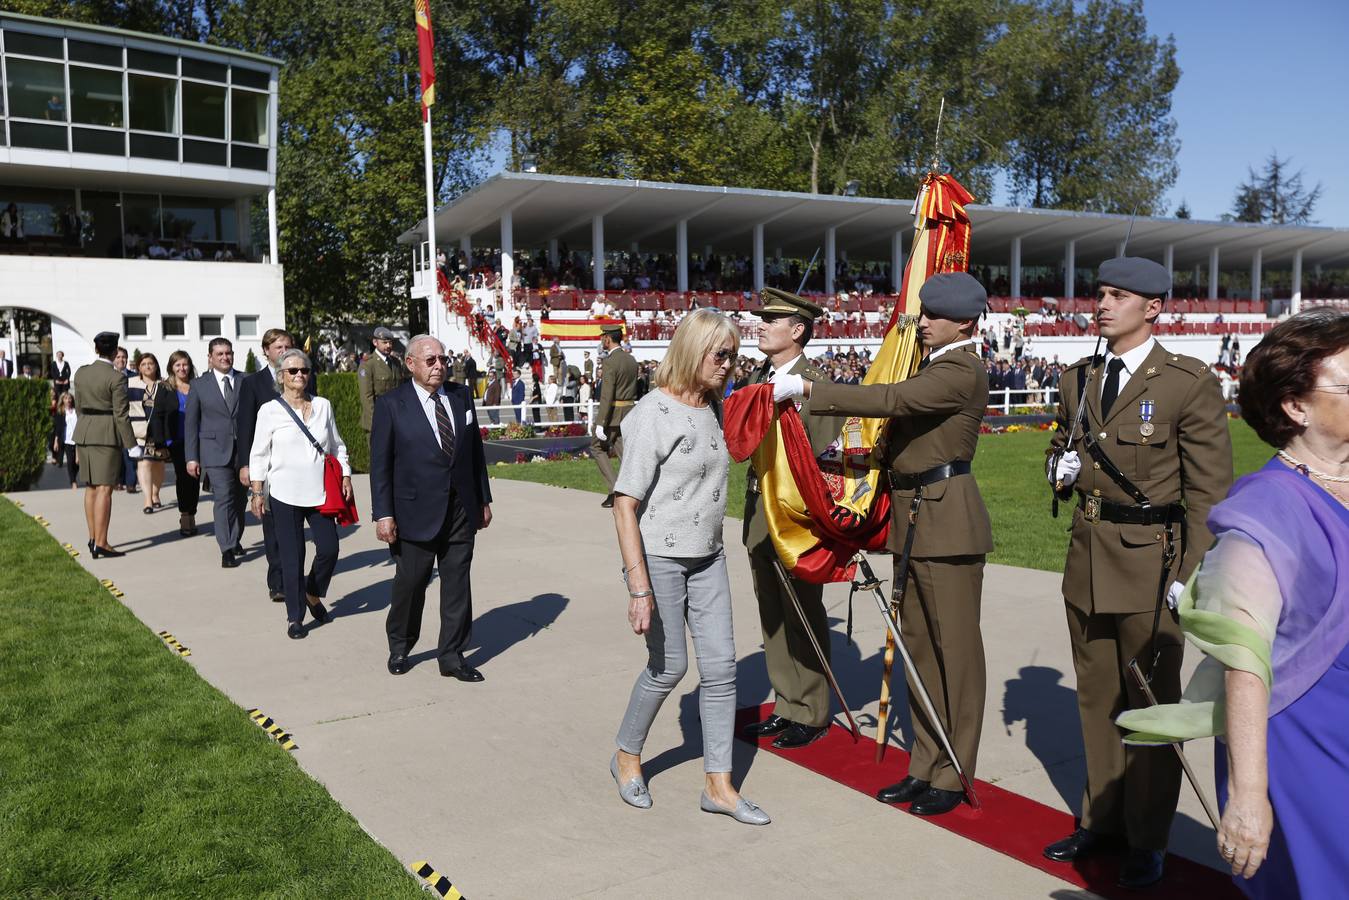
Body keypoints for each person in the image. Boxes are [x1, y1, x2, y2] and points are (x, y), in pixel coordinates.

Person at [1116, 310, 1349, 898]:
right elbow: (1243, 660)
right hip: (1310, 743)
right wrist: (1248, 795)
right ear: (1296, 406)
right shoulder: (1266, 509)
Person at [1043, 257, 1233, 889]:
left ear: (1152, 307)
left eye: (1117, 295)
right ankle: (1102, 819)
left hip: (1153, 565)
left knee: (1149, 708)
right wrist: (1058, 473)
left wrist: (1192, 573)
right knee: (1097, 700)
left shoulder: (1185, 382)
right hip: (1088, 559)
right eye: (1099, 293)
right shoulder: (1080, 377)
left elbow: (1210, 492)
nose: (1101, 304)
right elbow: (1060, 450)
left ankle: (1148, 837)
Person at [779, 272, 994, 817]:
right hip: (917, 517)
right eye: (923, 313)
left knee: (955, 657)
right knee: (920, 650)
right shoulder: (935, 360)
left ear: (964, 323)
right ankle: (926, 763)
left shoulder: (960, 368)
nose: (922, 322)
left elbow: (895, 399)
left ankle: (953, 769)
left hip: (947, 521)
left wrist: (809, 388)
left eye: (934, 316)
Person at [609, 308, 769, 825]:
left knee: (722, 669)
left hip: (709, 557)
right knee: (670, 666)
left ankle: (718, 785)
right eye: (719, 354)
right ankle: (627, 756)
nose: (728, 364)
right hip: (660, 558)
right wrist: (639, 587)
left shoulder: (715, 409)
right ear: (691, 351)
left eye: (734, 356)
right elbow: (624, 503)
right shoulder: (652, 415)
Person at [739, 289, 838, 750]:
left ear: (797, 330)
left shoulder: (813, 382)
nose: (760, 325)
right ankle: (787, 703)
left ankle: (813, 709)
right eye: (761, 318)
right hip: (760, 513)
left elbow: (820, 452)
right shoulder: (760, 375)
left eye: (771, 319)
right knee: (772, 617)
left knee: (802, 614)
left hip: (796, 520)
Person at [370, 335, 493, 680]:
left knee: (457, 583)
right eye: (431, 360)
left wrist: (483, 498)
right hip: (413, 513)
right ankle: (400, 645)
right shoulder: (392, 404)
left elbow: (474, 454)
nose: (439, 365)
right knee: (411, 583)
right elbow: (380, 465)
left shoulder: (459, 395)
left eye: (442, 359)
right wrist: (384, 514)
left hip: (460, 510)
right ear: (410, 364)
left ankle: (452, 655)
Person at [248, 349, 352, 639]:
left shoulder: (323, 406)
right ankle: (295, 617)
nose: (299, 375)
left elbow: (337, 446)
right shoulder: (269, 410)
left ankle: (312, 593)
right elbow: (258, 454)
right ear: (281, 376)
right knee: (292, 558)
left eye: (304, 370)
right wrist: (256, 492)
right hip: (284, 493)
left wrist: (345, 474)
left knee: (330, 549)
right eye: (292, 371)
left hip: (320, 493)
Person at [237, 329, 316, 603]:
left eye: (287, 345)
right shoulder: (253, 383)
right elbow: (245, 426)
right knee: (272, 525)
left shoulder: (305, 376)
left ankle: (296, 576)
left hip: (298, 466)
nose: (283, 350)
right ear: (266, 351)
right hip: (268, 466)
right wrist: (246, 465)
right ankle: (278, 580)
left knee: (293, 526)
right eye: (278, 347)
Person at [72, 331, 137, 558]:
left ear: (97, 349)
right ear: (114, 350)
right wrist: (132, 444)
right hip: (106, 433)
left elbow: (79, 405)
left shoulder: (81, 373)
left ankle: (93, 538)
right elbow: (121, 414)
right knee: (105, 489)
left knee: (90, 487)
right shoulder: (116, 377)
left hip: (84, 431)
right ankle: (102, 542)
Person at [186, 338, 248, 569]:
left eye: (228, 353)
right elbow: (191, 424)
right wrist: (191, 457)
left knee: (241, 499)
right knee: (224, 498)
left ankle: (236, 537)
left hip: (243, 451)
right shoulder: (199, 385)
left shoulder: (245, 380)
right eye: (219, 354)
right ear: (210, 357)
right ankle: (226, 548)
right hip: (214, 452)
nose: (225, 357)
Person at [151, 351, 200, 536]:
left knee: (195, 477)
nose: (182, 368)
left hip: (197, 439)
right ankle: (186, 515)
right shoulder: (165, 388)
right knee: (183, 477)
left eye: (185, 364)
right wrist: (160, 443)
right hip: (176, 440)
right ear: (172, 367)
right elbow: (157, 416)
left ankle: (192, 512)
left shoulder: (197, 385)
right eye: (178, 365)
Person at [591, 324, 638, 508]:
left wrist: (601, 422)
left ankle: (615, 489)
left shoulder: (610, 361)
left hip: (613, 414)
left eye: (603, 337)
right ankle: (633, 489)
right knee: (623, 451)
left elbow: (607, 394)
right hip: (629, 411)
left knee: (596, 447)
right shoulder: (631, 360)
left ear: (608, 338)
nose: (602, 340)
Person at [128, 353, 168, 513]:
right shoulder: (130, 383)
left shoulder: (164, 385)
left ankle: (156, 493)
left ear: (156, 365)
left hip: (159, 430)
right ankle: (147, 499)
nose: (147, 366)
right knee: (144, 463)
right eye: (143, 364)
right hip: (139, 430)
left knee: (158, 464)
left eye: (150, 363)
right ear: (139, 367)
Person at [358, 327, 408, 434]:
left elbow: (400, 391)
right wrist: (376, 423)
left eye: (390, 342)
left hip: (395, 419)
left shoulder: (396, 363)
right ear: (375, 342)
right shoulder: (368, 364)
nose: (388, 346)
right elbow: (367, 398)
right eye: (384, 342)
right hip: (378, 420)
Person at [55, 391, 79, 489]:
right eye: (65, 398)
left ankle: (74, 476)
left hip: (77, 439)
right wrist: (56, 440)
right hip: (67, 440)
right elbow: (58, 427)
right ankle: (73, 481)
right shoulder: (61, 412)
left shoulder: (76, 411)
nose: (68, 400)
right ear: (62, 400)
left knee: (77, 463)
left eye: (69, 398)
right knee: (70, 462)